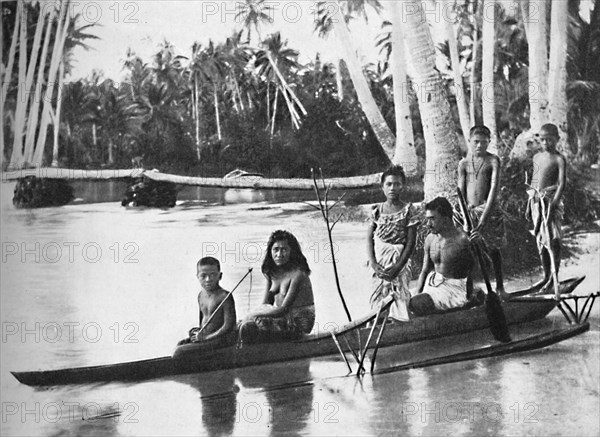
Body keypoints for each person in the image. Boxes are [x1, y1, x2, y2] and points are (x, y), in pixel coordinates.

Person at [239, 230, 315, 344]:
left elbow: (283, 309)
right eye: (276, 249)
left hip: (299, 323)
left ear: (292, 252)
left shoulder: (298, 275)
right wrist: (253, 318)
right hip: (281, 319)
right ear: (270, 252)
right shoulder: (272, 274)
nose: (279, 254)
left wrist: (253, 315)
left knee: (248, 327)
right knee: (243, 324)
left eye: (284, 250)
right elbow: (265, 305)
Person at [457, 125, 507, 297]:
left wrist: (484, 217)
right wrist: (465, 217)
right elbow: (461, 193)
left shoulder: (493, 161)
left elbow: (494, 189)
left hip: (489, 212)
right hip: (470, 214)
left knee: (493, 249)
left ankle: (500, 287)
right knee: (469, 250)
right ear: (469, 141)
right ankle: (468, 291)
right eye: (476, 142)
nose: (479, 146)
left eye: (483, 143)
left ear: (488, 143)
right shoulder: (463, 164)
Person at [409, 197, 477, 316]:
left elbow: (472, 271)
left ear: (445, 218)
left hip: (453, 289)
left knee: (417, 303)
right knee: (402, 300)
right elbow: (425, 270)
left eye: (432, 219)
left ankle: (455, 312)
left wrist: (476, 245)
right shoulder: (430, 239)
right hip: (434, 284)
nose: (428, 224)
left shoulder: (462, 239)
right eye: (427, 219)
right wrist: (417, 293)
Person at [367, 165, 418, 321]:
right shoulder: (376, 210)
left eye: (397, 184)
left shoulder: (408, 210)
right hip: (380, 260)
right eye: (389, 184)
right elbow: (369, 238)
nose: (393, 188)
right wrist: (374, 264)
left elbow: (410, 243)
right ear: (382, 187)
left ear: (403, 186)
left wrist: (397, 266)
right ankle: (379, 322)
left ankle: (399, 324)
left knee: (399, 295)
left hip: (399, 261)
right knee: (378, 296)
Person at [527, 123, 567, 291]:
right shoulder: (537, 157)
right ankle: (545, 276)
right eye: (543, 140)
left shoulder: (559, 159)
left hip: (551, 201)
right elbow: (534, 182)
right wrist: (529, 204)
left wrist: (553, 205)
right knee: (541, 240)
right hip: (537, 203)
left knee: (553, 239)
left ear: (557, 140)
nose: (546, 143)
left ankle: (554, 277)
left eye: (550, 140)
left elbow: (561, 184)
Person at [178, 257, 237, 346]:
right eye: (203, 276)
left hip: (219, 339)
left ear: (220, 276)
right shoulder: (200, 296)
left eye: (213, 275)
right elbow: (202, 320)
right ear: (197, 276)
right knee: (181, 344)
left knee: (179, 352)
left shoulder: (225, 297)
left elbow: (228, 327)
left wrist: (206, 338)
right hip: (204, 337)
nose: (208, 279)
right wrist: (198, 332)